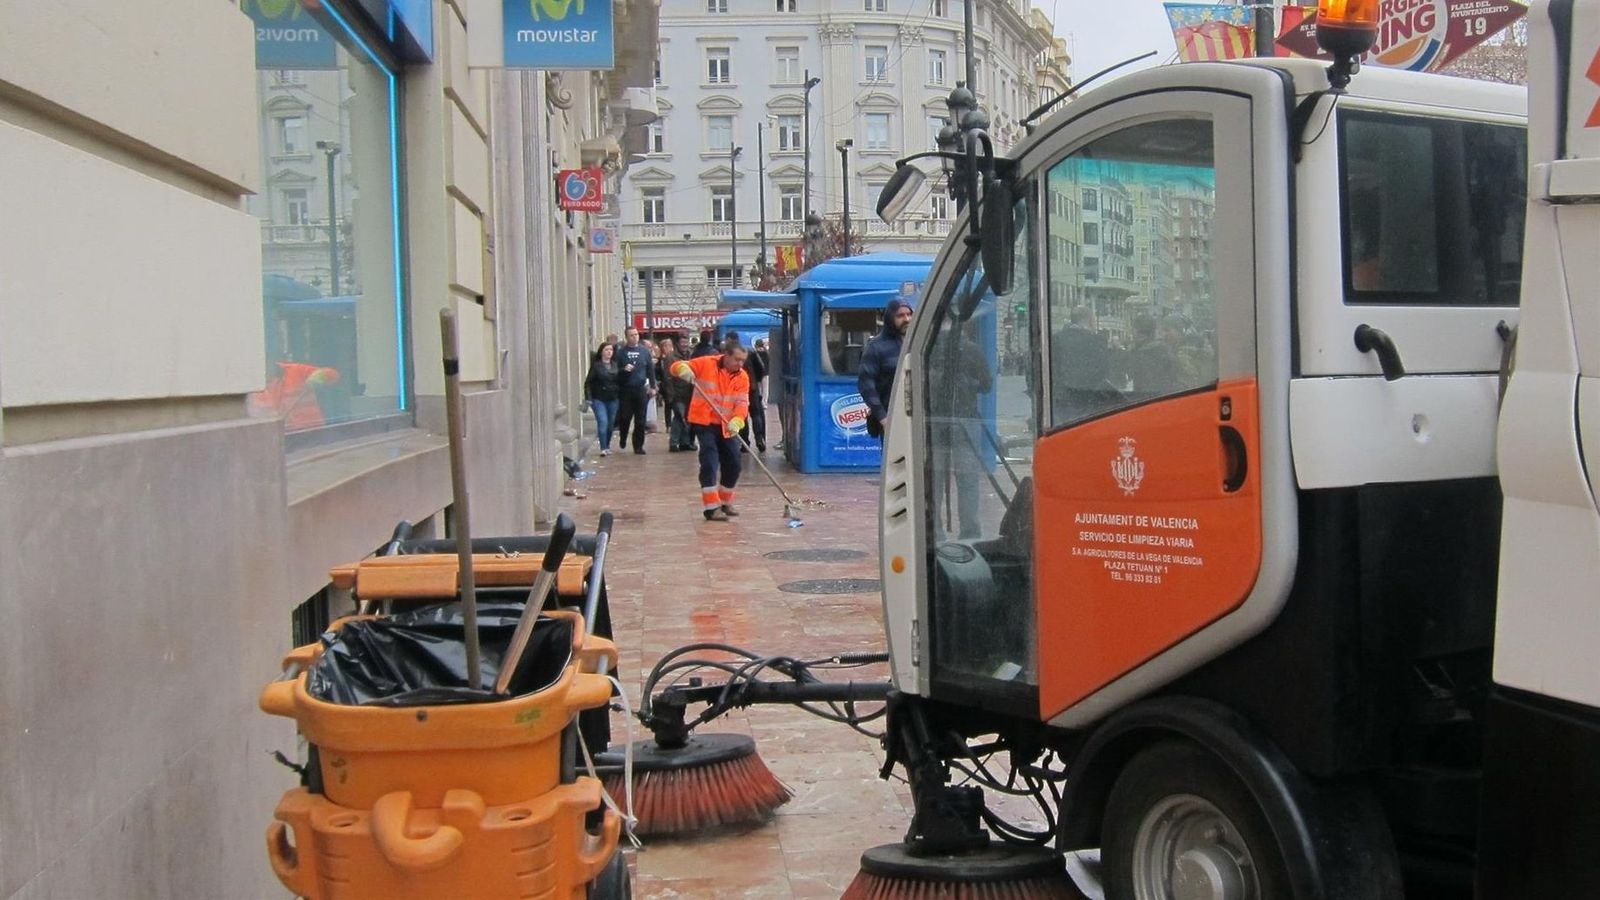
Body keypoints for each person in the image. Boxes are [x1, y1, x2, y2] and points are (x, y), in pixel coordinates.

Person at [671, 344, 751, 521]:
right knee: (709, 461)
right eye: (737, 359)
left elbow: (742, 402)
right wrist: (683, 369)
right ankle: (711, 507)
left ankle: (725, 501)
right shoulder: (706, 363)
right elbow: (675, 366)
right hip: (704, 421)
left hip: (727, 425)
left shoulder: (742, 377)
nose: (740, 364)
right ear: (726, 355)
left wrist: (738, 420)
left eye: (743, 361)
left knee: (734, 463)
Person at [858, 297, 914, 439]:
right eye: (900, 316)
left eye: (909, 314)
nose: (906, 319)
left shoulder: (918, 344)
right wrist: (883, 419)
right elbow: (866, 385)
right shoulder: (876, 347)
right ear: (890, 318)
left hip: (918, 418)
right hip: (893, 420)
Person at [613, 327, 656, 454]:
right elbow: (614, 371)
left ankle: (638, 446)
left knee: (640, 420)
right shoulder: (620, 353)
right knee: (625, 417)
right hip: (626, 389)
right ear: (627, 337)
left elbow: (650, 370)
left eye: (636, 334)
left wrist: (653, 386)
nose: (635, 337)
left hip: (640, 389)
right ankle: (623, 436)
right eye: (631, 335)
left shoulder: (644, 352)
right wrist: (623, 370)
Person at [584, 342, 621, 455]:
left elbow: (620, 380)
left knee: (610, 424)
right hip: (598, 398)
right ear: (601, 352)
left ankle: (607, 445)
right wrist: (588, 398)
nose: (609, 352)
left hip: (613, 398)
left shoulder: (615, 365)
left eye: (611, 350)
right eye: (606, 350)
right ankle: (603, 448)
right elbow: (588, 383)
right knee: (603, 421)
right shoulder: (596, 366)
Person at [657, 338, 693, 452]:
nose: (684, 345)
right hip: (677, 393)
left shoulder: (691, 355)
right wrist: (670, 394)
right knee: (679, 417)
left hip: (690, 392)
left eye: (686, 342)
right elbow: (667, 377)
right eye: (682, 342)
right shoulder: (671, 357)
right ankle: (674, 442)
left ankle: (685, 442)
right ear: (678, 344)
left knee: (688, 418)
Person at [746, 338, 770, 452]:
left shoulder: (731, 354)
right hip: (753, 387)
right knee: (756, 414)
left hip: (738, 389)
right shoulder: (751, 352)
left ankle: (744, 442)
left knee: (741, 416)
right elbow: (761, 368)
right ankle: (759, 438)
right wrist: (757, 380)